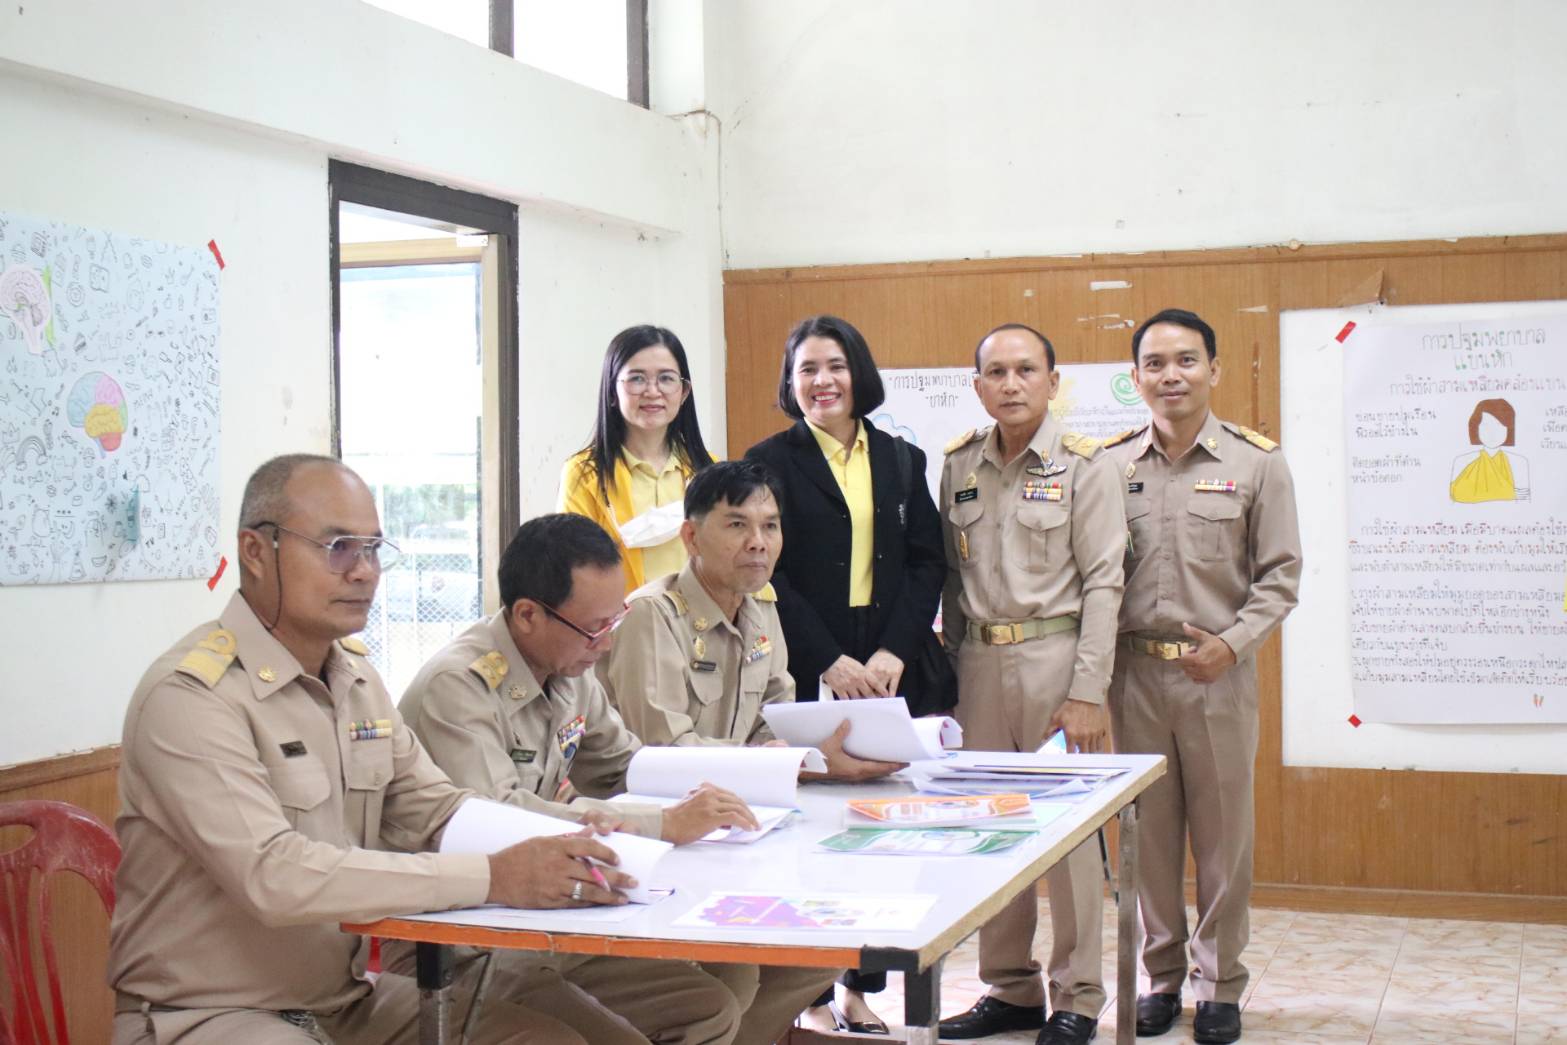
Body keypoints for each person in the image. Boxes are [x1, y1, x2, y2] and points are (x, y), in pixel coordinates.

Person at [108, 454, 637, 1045]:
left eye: (373, 549)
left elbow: (439, 810)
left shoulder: (357, 682)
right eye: (338, 547)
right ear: (256, 552)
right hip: (210, 1014)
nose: (364, 572)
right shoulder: (191, 697)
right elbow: (273, 874)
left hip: (341, 1002)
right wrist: (494, 876)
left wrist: (581, 849)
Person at [397, 512, 761, 1045]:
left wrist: (748, 780)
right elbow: (496, 816)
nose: (606, 644)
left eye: (615, 621)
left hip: (550, 911)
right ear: (528, 615)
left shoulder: (569, 668)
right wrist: (662, 824)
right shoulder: (458, 686)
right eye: (595, 628)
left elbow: (624, 763)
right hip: (466, 934)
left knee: (715, 1003)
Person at [599, 459, 901, 1044]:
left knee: (824, 950)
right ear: (691, 536)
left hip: (739, 829)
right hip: (660, 838)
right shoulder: (650, 616)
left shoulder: (762, 607)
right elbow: (663, 754)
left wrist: (827, 754)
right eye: (737, 525)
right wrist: (793, 764)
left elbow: (775, 719)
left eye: (770, 525)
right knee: (734, 979)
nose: (758, 542)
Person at [743, 315, 946, 1034]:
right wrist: (826, 656)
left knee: (879, 823)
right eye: (807, 369)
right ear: (790, 381)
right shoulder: (767, 462)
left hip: (887, 660)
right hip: (806, 654)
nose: (822, 381)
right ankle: (808, 993)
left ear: (858, 373)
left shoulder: (900, 458)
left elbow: (926, 560)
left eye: (834, 366)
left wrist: (895, 649)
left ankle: (860, 986)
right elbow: (767, 569)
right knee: (811, 823)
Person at [1103, 309, 1301, 1044]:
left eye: (1186, 360)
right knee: (1146, 838)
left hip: (1218, 676)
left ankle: (1218, 983)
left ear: (1213, 369)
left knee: (1223, 839)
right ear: (1135, 378)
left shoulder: (1257, 463)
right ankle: (1160, 977)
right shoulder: (1110, 467)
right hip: (1132, 677)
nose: (1171, 375)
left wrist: (1233, 644)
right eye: (1154, 363)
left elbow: (1280, 576)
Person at [936, 325, 1127, 1045]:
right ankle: (1009, 987)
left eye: (1025, 370)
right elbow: (951, 579)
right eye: (996, 372)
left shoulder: (1086, 466)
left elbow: (1105, 582)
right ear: (977, 385)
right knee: (991, 828)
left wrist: (1089, 691)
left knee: (1068, 836)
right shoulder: (959, 464)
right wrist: (949, 677)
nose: (1011, 384)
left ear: (1053, 380)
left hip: (1056, 662)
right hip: (978, 666)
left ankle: (1078, 994)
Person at [559, 325, 716, 594]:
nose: (653, 391)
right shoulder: (584, 474)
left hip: (699, 617)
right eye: (637, 379)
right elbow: (573, 568)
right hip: (620, 618)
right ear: (612, 391)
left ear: (684, 392)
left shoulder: (709, 469)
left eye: (666, 378)